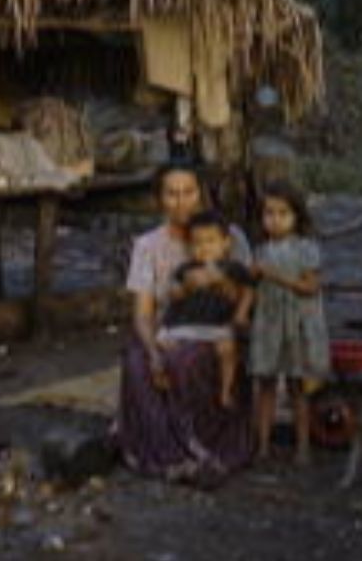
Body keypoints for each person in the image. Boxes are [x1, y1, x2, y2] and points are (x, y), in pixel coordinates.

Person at [114, 162, 256, 484]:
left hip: (218, 329)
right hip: (171, 328)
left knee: (183, 362)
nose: (181, 202)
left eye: (189, 192)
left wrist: (215, 281)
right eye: (171, 194)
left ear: (201, 194)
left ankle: (203, 448)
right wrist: (152, 351)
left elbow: (246, 295)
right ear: (159, 200)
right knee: (136, 362)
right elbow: (144, 312)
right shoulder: (148, 246)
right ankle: (168, 455)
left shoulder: (229, 236)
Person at [248, 181, 331, 464]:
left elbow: (310, 287)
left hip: (297, 327)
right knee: (266, 385)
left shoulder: (306, 248)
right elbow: (251, 288)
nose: (275, 219)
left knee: (298, 388)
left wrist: (272, 275)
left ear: (297, 216)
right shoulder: (260, 250)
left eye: (283, 213)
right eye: (269, 213)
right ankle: (262, 445)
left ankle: (303, 447)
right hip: (269, 326)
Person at [159, 213, 255, 409]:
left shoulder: (232, 267)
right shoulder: (185, 269)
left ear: (226, 243)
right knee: (163, 342)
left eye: (211, 241)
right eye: (197, 243)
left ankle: (225, 391)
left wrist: (241, 313)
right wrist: (186, 287)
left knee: (227, 349)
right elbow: (173, 294)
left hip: (216, 324)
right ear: (189, 247)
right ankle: (163, 376)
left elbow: (248, 290)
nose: (204, 248)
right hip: (185, 323)